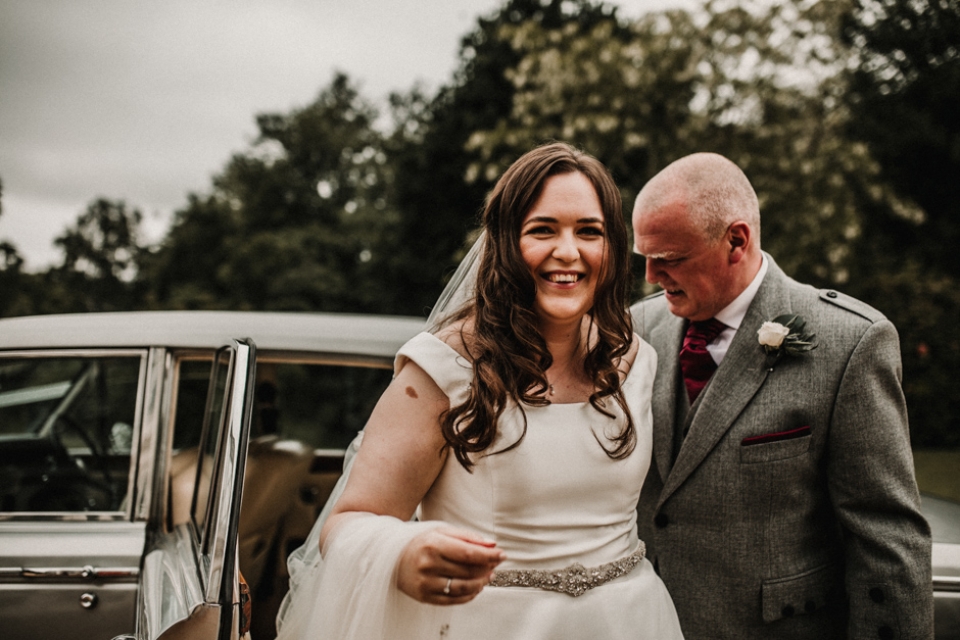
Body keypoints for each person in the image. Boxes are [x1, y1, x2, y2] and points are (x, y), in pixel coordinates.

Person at [275, 142, 684, 639]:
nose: (569, 252)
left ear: (612, 247)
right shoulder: (443, 368)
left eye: (589, 232)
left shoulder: (637, 359)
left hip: (630, 624)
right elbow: (348, 520)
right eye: (543, 230)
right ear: (505, 243)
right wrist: (401, 553)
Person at [630, 152, 934, 639]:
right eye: (644, 256)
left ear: (736, 240)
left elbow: (885, 537)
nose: (650, 275)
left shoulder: (850, 342)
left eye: (670, 259)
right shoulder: (634, 331)